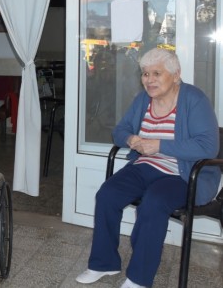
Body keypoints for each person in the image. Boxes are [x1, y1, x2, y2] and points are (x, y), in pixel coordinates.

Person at [75, 48, 220, 288]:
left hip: (182, 173)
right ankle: (104, 263)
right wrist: (131, 140)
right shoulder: (143, 100)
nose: (149, 80)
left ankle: (139, 278)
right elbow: (119, 131)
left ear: (175, 75)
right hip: (145, 166)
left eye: (156, 73)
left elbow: (208, 147)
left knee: (154, 203)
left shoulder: (194, 99)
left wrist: (160, 145)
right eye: (145, 74)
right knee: (107, 194)